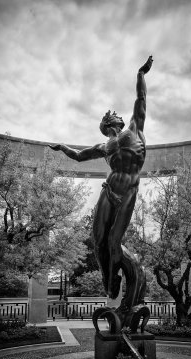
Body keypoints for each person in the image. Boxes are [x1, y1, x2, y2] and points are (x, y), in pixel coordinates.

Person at [49, 56, 153, 302]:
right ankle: (109, 281)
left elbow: (141, 99)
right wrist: (62, 147)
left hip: (128, 193)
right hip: (109, 192)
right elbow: (77, 156)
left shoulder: (135, 128)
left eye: (115, 117)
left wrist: (141, 74)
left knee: (114, 242)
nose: (115, 117)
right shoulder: (103, 146)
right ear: (107, 126)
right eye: (111, 118)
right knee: (97, 240)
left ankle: (124, 278)